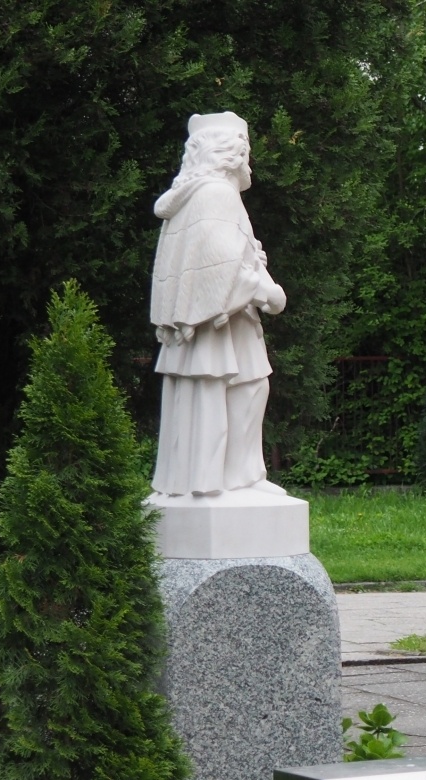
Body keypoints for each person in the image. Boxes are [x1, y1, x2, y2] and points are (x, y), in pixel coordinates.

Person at [150, 112, 287, 497]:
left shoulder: (192, 197)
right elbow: (224, 265)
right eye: (245, 152)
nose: (248, 163)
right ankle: (223, 482)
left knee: (243, 389)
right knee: (233, 392)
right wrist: (270, 293)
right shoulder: (216, 194)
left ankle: (235, 477)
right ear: (232, 153)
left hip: (220, 322)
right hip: (220, 322)